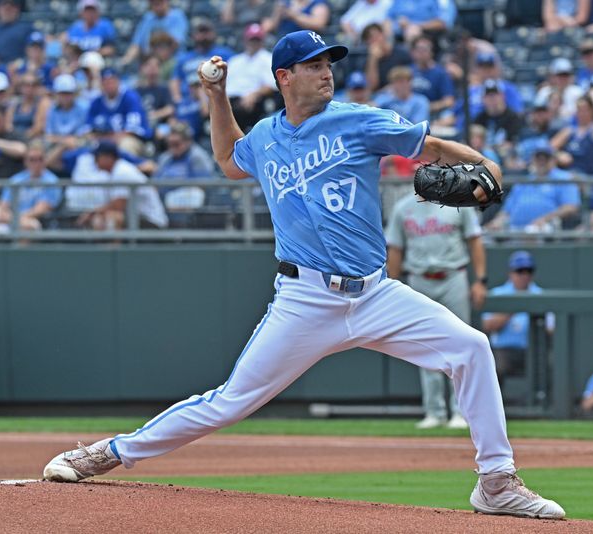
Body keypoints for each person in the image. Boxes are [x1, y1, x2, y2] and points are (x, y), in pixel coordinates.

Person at [43, 30, 565, 521]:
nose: (325, 72)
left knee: (471, 347)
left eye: (328, 64)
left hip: (375, 293)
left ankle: (496, 483)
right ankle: (103, 454)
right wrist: (217, 95)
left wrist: (487, 164)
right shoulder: (267, 136)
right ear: (283, 77)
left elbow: (433, 148)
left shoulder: (360, 120)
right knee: (228, 402)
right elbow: (228, 159)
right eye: (312, 65)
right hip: (304, 299)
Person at [385, 193, 487, 430]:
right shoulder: (403, 207)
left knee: (460, 343)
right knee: (425, 345)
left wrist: (481, 280)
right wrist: (392, 285)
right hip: (419, 278)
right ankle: (434, 411)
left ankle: (460, 412)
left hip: (453, 276)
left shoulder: (458, 203)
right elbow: (396, 249)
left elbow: (475, 240)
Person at [0, 141, 61, 242]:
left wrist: (11, 218)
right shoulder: (16, 179)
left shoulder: (51, 181)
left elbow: (39, 210)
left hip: (30, 221)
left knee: (28, 227)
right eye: (32, 160)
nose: (36, 163)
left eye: (40, 159)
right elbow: (2, 205)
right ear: (25, 161)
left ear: (45, 160)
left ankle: (19, 258)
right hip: (9, 220)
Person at [482, 251, 550, 395]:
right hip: (503, 350)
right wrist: (514, 307)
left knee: (550, 365)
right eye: (520, 271)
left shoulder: (539, 294)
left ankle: (542, 407)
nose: (524, 276)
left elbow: (551, 329)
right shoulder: (498, 293)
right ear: (510, 273)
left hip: (533, 351)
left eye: (528, 271)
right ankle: (494, 408)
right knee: (495, 366)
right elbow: (487, 326)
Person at [65, 139, 167, 231]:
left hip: (152, 222)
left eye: (97, 157)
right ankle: (104, 250)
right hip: (136, 218)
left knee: (113, 217)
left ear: (108, 157)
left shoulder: (122, 171)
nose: (95, 161)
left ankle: (113, 251)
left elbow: (118, 206)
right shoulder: (114, 171)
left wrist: (90, 213)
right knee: (100, 218)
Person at [484, 142, 580, 232]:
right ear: (533, 160)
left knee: (535, 230)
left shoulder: (563, 178)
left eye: (545, 158)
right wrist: (495, 223)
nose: (542, 161)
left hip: (546, 228)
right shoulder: (524, 181)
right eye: (539, 158)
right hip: (514, 229)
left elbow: (570, 207)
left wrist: (545, 219)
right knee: (485, 234)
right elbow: (507, 211)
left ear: (553, 160)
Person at [86, 68, 151, 156]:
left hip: (130, 139)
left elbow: (132, 130)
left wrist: (111, 139)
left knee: (126, 146)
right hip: (104, 139)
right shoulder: (96, 102)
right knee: (84, 145)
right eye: (106, 82)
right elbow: (89, 128)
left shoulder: (130, 98)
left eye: (112, 81)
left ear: (118, 82)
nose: (109, 85)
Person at [224, 24, 277, 133]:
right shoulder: (235, 60)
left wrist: (254, 95)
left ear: (262, 41)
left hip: (254, 102)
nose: (254, 43)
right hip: (232, 100)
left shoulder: (268, 58)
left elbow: (271, 85)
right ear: (245, 40)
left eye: (257, 40)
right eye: (252, 39)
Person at [121, 0, 189, 68]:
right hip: (149, 62)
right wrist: (126, 60)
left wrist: (157, 59)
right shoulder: (148, 17)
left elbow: (175, 43)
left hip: (173, 61)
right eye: (153, 4)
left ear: (166, 2)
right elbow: (136, 45)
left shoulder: (177, 16)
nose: (157, 7)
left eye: (159, 3)